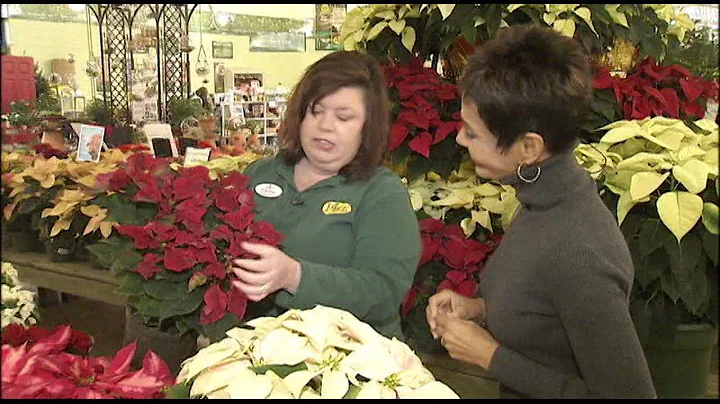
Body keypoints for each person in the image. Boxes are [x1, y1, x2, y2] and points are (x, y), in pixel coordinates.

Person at [425, 25, 657, 399]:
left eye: (472, 133)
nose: (459, 139)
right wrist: (479, 310)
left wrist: (490, 356)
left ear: (529, 148)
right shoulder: (542, 202)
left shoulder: (579, 251)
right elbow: (546, 315)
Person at [231, 50, 422, 340]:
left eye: (344, 117)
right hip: (255, 351)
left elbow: (383, 291)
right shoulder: (261, 173)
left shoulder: (382, 193)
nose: (325, 125)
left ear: (368, 127)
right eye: (316, 111)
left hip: (348, 360)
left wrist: (295, 277)